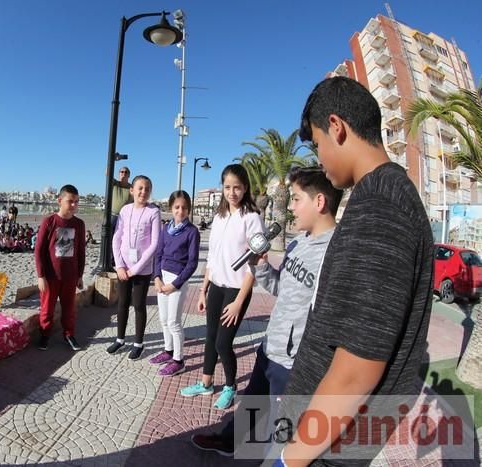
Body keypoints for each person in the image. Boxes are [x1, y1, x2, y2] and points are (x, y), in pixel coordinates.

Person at [275, 76, 434, 466]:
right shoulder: (384, 195)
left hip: (325, 449)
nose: (319, 160)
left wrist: (290, 458)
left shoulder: (380, 204)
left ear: (337, 127)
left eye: (317, 145)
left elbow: (357, 367)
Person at [190, 166, 343, 457]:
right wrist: (259, 265)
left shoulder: (334, 253)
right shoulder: (298, 244)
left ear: (319, 202)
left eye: (296, 199)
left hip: (294, 361)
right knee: (251, 404)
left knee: (283, 425)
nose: (290, 207)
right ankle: (228, 442)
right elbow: (279, 288)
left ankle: (280, 460)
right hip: (270, 346)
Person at [180, 164, 264, 410]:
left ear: (245, 188)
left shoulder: (252, 218)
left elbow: (254, 265)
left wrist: (239, 301)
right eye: (227, 187)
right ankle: (206, 383)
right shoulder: (219, 217)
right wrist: (203, 290)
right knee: (211, 338)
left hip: (237, 290)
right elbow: (213, 258)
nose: (232, 192)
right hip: (216, 285)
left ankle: (230, 386)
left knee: (223, 343)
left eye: (237, 187)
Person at [106, 175, 161, 360]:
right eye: (139, 188)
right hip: (123, 268)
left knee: (138, 305)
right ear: (132, 190)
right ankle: (120, 339)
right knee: (122, 303)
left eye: (147, 189)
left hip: (141, 270)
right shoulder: (125, 210)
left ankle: (138, 343)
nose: (143, 192)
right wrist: (119, 265)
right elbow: (117, 238)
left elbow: (154, 244)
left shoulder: (153, 212)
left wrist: (135, 269)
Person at [151, 190, 199, 376]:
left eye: (184, 208)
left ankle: (179, 361)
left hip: (177, 280)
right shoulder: (166, 229)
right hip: (162, 278)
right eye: (177, 207)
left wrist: (176, 284)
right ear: (171, 208)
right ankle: (168, 351)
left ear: (188, 210)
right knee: (163, 320)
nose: (181, 211)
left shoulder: (192, 232)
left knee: (174, 322)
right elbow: (159, 254)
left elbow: (192, 263)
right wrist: (156, 278)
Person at [35, 184, 86, 351]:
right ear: (59, 201)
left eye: (76, 202)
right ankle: (45, 334)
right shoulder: (49, 221)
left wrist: (80, 275)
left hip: (70, 276)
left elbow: (80, 251)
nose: (74, 205)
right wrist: (41, 276)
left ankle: (69, 335)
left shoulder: (79, 224)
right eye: (70, 201)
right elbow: (39, 251)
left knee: (69, 309)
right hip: (51, 276)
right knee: (47, 308)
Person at [108, 166, 132, 268]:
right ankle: (110, 260)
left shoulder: (131, 188)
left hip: (125, 218)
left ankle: (118, 260)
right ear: (119, 173)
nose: (123, 174)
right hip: (113, 216)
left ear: (129, 175)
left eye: (126, 172)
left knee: (122, 240)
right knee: (110, 240)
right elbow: (107, 173)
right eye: (121, 172)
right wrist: (114, 159)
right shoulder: (115, 184)